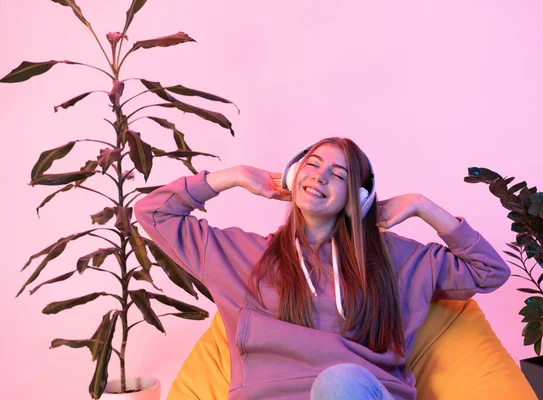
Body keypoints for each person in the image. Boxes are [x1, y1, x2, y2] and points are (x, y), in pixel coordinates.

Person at [134, 137, 511, 400]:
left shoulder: (395, 260)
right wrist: (232, 176)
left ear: (359, 200)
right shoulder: (241, 254)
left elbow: (488, 272)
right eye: (312, 165)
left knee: (341, 383)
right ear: (292, 175)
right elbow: (152, 212)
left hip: (357, 394)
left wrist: (421, 205)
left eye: (340, 174)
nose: (320, 176)